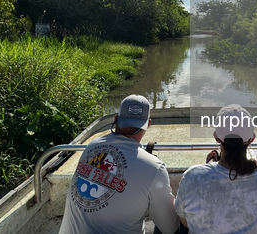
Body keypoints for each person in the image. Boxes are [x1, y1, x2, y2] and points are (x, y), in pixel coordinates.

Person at [59, 94, 180, 234]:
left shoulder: (93, 146)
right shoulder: (154, 167)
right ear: (148, 124)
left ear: (116, 119)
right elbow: (170, 228)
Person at [174, 104, 257, 234]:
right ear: (252, 139)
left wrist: (208, 168)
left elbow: (184, 220)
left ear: (217, 138)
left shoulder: (193, 177)